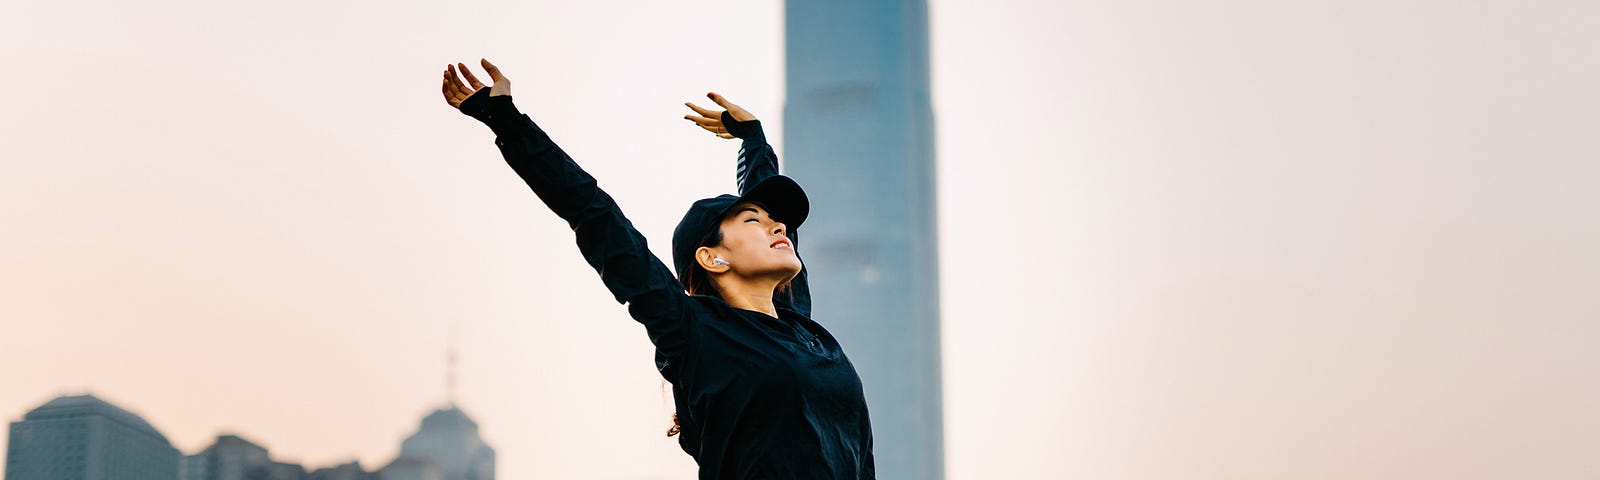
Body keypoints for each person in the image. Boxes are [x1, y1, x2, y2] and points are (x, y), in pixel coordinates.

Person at [441, 59, 874, 479]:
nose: (779, 227)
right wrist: (506, 120)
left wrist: (753, 140)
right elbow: (594, 215)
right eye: (752, 222)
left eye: (775, 222)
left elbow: (776, 213)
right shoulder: (694, 331)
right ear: (712, 258)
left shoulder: (804, 332)